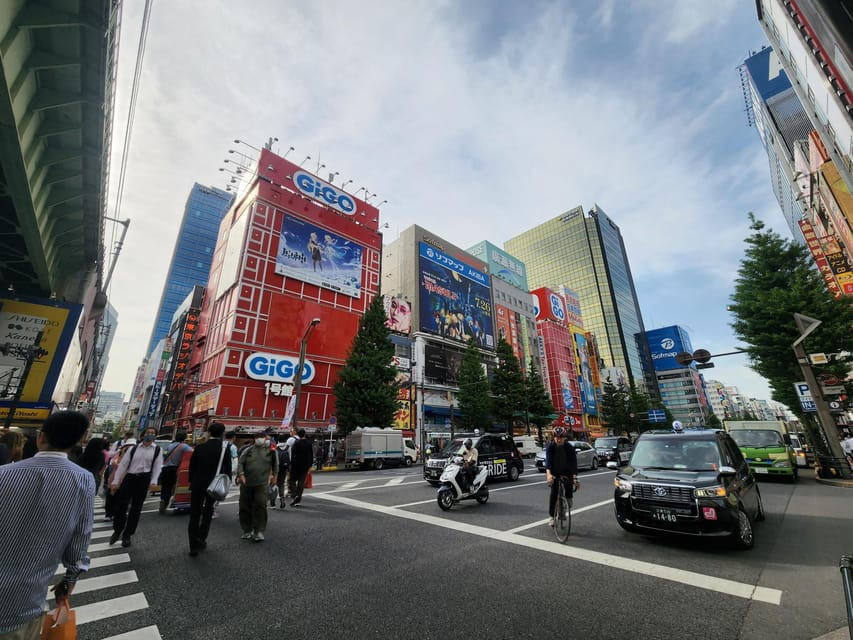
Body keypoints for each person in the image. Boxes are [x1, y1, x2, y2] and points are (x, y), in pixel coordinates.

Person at [0, 411, 94, 640]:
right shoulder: (83, 480)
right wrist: (70, 579)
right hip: (23, 603)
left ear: (41, 438)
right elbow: (81, 537)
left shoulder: (4, 474)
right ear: (78, 442)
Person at [109, 427, 163, 548]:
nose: (150, 435)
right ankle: (117, 530)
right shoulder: (133, 449)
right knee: (121, 506)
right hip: (130, 478)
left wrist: (153, 481)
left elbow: (157, 467)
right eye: (148, 433)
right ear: (142, 435)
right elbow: (123, 465)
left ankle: (127, 535)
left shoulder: (157, 450)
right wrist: (116, 481)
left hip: (143, 480)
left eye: (153, 433)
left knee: (136, 508)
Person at [187, 422, 232, 556]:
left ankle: (192, 545)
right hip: (214, 485)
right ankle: (202, 538)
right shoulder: (225, 448)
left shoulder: (200, 447)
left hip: (198, 484)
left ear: (209, 433)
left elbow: (192, 466)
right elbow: (227, 468)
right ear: (223, 433)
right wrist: (227, 484)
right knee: (208, 512)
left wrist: (192, 481)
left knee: (194, 514)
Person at [236, 431, 278, 541]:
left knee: (260, 505)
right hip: (247, 482)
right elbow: (240, 463)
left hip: (262, 483)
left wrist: (275, 477)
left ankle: (258, 531)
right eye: (257, 437)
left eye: (261, 437)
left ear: (265, 438)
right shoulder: (248, 450)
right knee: (244, 506)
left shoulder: (271, 451)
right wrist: (240, 474)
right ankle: (246, 530)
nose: (259, 439)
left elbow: (275, 464)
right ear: (254, 439)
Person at [544, 427, 579, 527]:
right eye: (556, 437)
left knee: (569, 484)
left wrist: (575, 477)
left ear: (565, 438)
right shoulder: (551, 447)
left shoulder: (569, 448)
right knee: (554, 493)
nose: (558, 439)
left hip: (566, 472)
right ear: (553, 437)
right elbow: (548, 462)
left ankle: (569, 497)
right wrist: (549, 475)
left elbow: (573, 463)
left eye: (561, 437)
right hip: (555, 472)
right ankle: (551, 516)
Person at [158, 432, 192, 514]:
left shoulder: (169, 446)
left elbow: (164, 455)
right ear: (184, 438)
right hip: (175, 469)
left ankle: (163, 500)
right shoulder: (184, 446)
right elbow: (192, 452)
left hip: (165, 468)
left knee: (166, 486)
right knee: (176, 486)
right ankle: (176, 501)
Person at [288, 429, 314, 506]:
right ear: (304, 434)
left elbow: (293, 455)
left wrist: (291, 464)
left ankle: (295, 494)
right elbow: (311, 455)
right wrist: (310, 465)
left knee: (291, 480)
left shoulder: (296, 443)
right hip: (305, 465)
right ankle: (298, 496)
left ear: (298, 435)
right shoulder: (309, 443)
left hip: (296, 465)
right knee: (301, 481)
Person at [273, 441, 290, 509]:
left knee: (273, 484)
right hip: (283, 468)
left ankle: (272, 502)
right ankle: (282, 498)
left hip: (275, 468)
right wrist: (288, 470)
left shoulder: (275, 448)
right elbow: (290, 459)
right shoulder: (288, 447)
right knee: (281, 484)